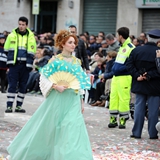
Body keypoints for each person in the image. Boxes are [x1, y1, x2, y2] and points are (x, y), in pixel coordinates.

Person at [6, 30, 93, 160]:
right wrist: (55, 86)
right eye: (70, 42)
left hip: (73, 99)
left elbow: (79, 83)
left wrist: (81, 101)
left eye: (74, 42)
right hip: (58, 98)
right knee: (52, 128)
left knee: (72, 127)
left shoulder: (77, 62)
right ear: (63, 44)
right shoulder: (55, 60)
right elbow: (44, 77)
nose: (73, 45)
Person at [126, 29, 160, 139]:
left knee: (139, 108)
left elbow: (129, 65)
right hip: (154, 85)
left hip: (139, 83)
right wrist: (149, 75)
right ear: (158, 41)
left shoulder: (136, 50)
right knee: (153, 111)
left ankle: (136, 132)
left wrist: (137, 75)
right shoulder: (158, 52)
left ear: (146, 39)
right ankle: (153, 133)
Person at [4, 16, 36, 113]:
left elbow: (33, 51)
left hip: (25, 66)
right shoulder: (11, 35)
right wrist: (10, 61)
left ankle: (18, 106)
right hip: (14, 65)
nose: (21, 26)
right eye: (19, 24)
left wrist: (30, 64)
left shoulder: (31, 37)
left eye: (23, 25)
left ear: (26, 25)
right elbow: (6, 49)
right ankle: (9, 106)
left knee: (23, 86)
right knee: (12, 85)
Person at [108, 27, 135, 129]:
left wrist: (118, 69)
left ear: (120, 36)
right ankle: (113, 119)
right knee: (113, 98)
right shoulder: (122, 47)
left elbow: (130, 64)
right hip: (116, 77)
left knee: (124, 98)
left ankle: (123, 120)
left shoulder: (130, 47)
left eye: (117, 35)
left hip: (124, 77)